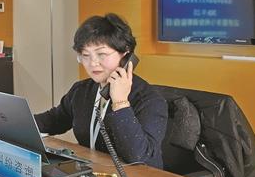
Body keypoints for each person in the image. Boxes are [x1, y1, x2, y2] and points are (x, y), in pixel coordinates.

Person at [34, 13, 168, 168]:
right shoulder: (81, 91)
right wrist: (15, 120)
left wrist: (120, 103)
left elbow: (141, 157)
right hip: (95, 173)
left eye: (101, 54)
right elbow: (54, 121)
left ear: (126, 54)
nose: (93, 63)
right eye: (85, 55)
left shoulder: (150, 99)